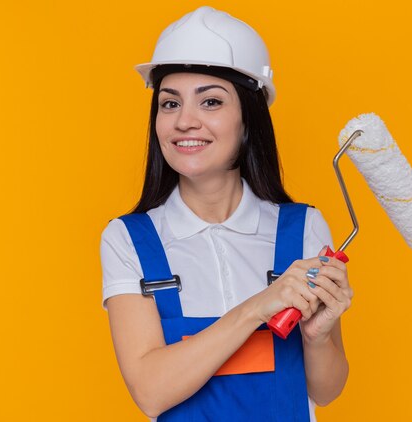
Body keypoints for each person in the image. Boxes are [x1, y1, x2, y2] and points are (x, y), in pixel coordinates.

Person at [100, 6, 353, 421]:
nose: (184, 121)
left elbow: (326, 391)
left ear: (248, 120)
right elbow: (150, 391)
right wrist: (257, 308)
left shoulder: (302, 227)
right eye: (169, 104)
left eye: (211, 101)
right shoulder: (130, 239)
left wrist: (317, 336)